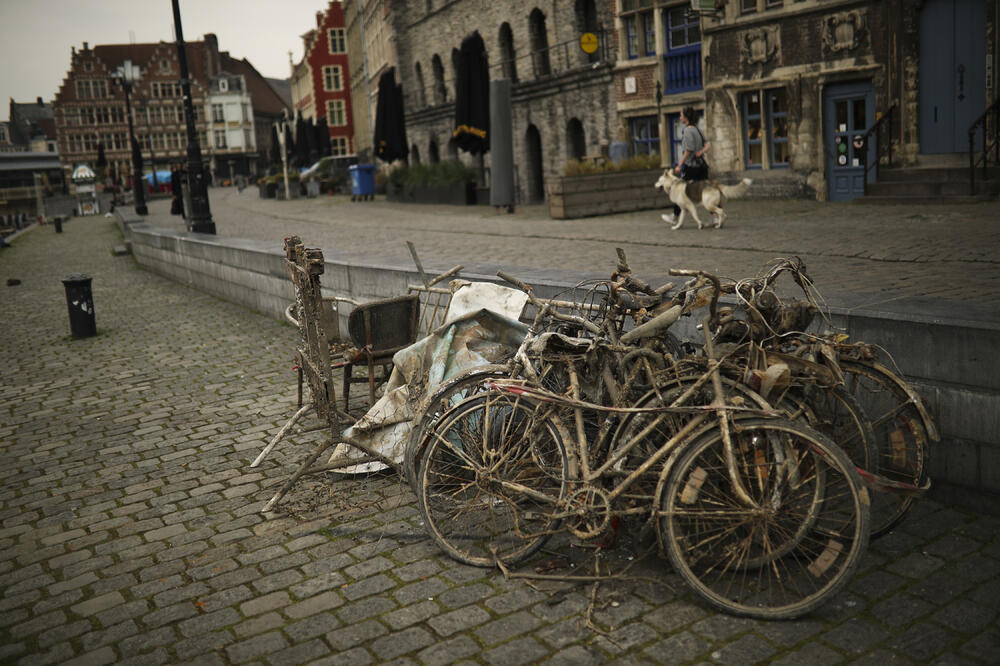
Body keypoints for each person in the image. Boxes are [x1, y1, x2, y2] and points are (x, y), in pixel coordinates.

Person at [664, 107, 711, 225]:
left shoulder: (688, 131)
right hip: (702, 165)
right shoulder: (698, 129)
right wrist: (701, 152)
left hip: (692, 167)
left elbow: (688, 150)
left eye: (681, 115)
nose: (680, 117)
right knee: (706, 190)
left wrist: (679, 165)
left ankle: (674, 216)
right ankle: (715, 216)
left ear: (686, 117)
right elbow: (708, 144)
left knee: (679, 190)